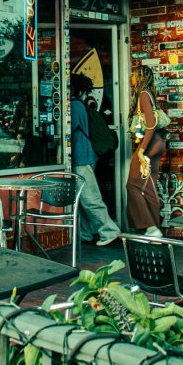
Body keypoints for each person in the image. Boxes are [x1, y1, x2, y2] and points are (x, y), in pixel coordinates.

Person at [70, 73, 121, 246]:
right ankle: (85, 233)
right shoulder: (80, 104)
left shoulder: (74, 105)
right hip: (85, 156)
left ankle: (109, 231)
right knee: (81, 198)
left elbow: (68, 129)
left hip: (81, 157)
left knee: (90, 197)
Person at [127, 65, 164, 237]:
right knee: (149, 186)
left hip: (150, 144)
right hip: (157, 143)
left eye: (133, 75)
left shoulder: (143, 94)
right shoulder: (150, 93)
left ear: (140, 77)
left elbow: (151, 124)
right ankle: (154, 227)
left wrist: (141, 150)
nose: (131, 78)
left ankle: (150, 227)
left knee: (133, 185)